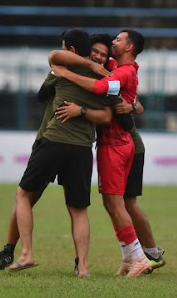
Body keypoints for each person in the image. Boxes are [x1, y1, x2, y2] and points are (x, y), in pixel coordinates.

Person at [0, 29, 112, 277]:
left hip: (54, 140)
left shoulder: (61, 68)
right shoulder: (106, 80)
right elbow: (108, 116)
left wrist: (74, 97)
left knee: (23, 196)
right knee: (78, 209)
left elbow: (43, 87)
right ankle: (83, 267)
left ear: (72, 50)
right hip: (82, 148)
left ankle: (25, 252)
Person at [50, 29, 153, 277]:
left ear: (129, 47)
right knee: (111, 204)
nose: (113, 42)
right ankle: (129, 257)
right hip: (115, 144)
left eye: (118, 39)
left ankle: (142, 257)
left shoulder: (124, 72)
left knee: (118, 205)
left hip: (116, 145)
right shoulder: (119, 66)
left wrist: (66, 74)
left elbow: (100, 88)